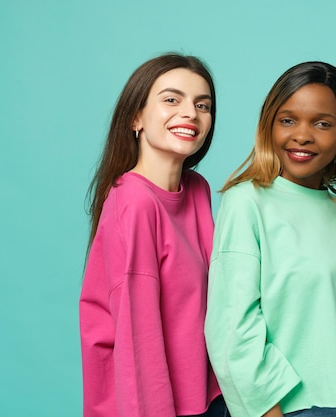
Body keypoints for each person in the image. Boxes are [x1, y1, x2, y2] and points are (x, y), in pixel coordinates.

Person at [204, 61, 336, 417]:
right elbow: (233, 330)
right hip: (289, 408)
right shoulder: (247, 202)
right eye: (288, 120)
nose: (302, 135)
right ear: (269, 125)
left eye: (322, 123)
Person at [80, 53, 226, 417]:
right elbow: (137, 341)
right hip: (155, 406)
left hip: (209, 401)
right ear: (136, 117)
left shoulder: (196, 190)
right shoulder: (134, 202)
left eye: (202, 105)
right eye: (172, 99)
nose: (191, 113)